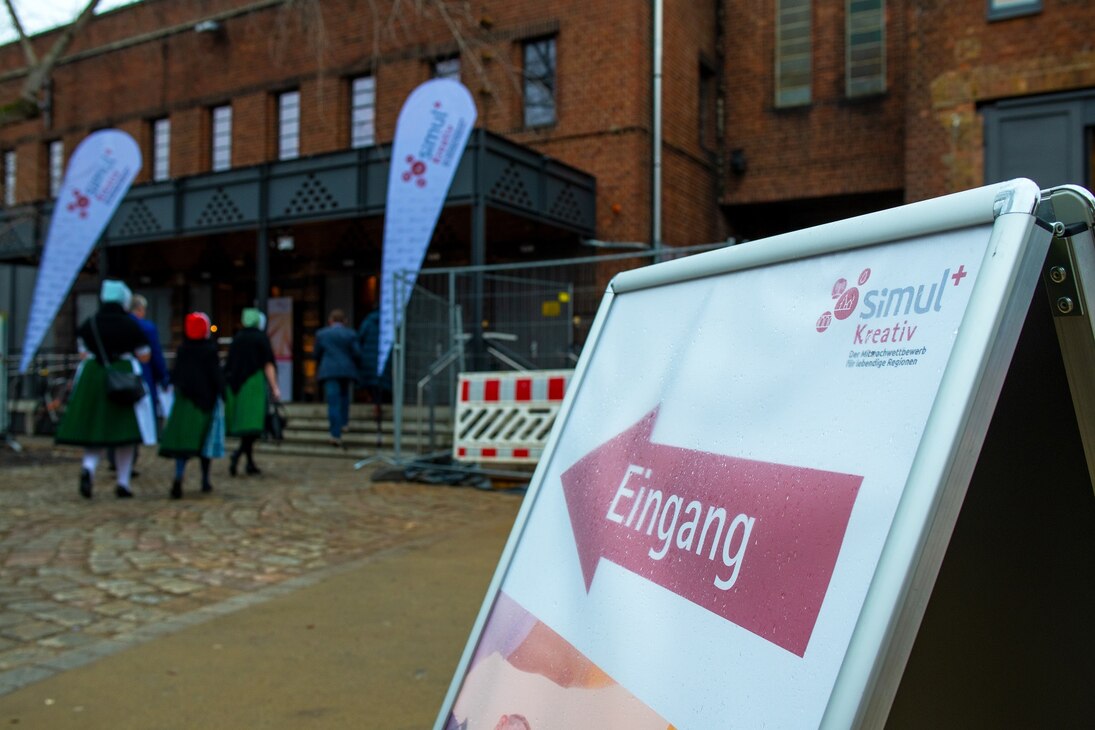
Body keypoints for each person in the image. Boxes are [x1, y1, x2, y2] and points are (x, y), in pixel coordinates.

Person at [55, 279, 155, 499]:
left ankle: (88, 468)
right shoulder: (130, 324)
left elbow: (82, 352)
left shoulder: (90, 323)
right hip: (122, 378)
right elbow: (145, 354)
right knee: (125, 433)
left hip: (93, 377)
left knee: (96, 432)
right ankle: (123, 482)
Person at [158, 312, 225, 499]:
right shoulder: (209, 350)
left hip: (184, 401)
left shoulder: (183, 349)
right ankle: (205, 480)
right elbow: (215, 374)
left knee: (183, 444)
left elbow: (177, 372)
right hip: (204, 402)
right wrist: (223, 391)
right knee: (205, 441)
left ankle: (179, 476)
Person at [108, 293, 169, 475]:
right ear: (140, 309)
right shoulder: (145, 327)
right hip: (139, 376)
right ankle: (126, 464)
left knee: (119, 416)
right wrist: (163, 375)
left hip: (116, 376)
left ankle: (115, 458)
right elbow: (153, 355)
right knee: (136, 419)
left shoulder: (117, 325)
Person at [224, 307, 280, 476]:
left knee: (248, 427)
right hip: (253, 385)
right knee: (253, 426)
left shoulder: (238, 338)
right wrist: (274, 387)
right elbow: (268, 363)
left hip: (236, 386)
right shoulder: (260, 338)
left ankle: (247, 461)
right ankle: (240, 456)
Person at [314, 308, 361, 447]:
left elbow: (316, 353)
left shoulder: (322, 334)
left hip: (329, 371)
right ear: (344, 321)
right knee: (345, 397)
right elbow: (357, 353)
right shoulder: (350, 334)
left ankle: (335, 434)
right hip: (346, 370)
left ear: (330, 321)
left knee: (333, 402)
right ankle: (344, 423)